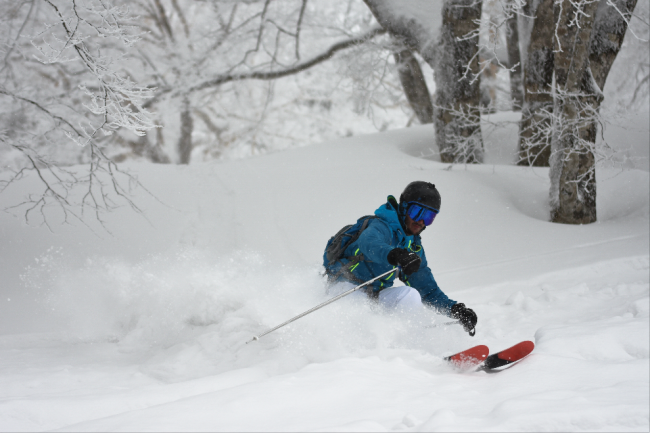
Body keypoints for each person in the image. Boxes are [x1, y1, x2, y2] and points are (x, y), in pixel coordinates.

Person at [323, 181, 478, 335]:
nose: (421, 221)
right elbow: (368, 243)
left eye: (429, 217)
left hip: (372, 297)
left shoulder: (413, 247)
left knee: (409, 296)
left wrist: (455, 310)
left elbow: (427, 290)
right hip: (343, 290)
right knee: (360, 315)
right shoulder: (381, 226)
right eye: (417, 212)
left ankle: (408, 350)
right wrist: (395, 254)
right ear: (404, 207)